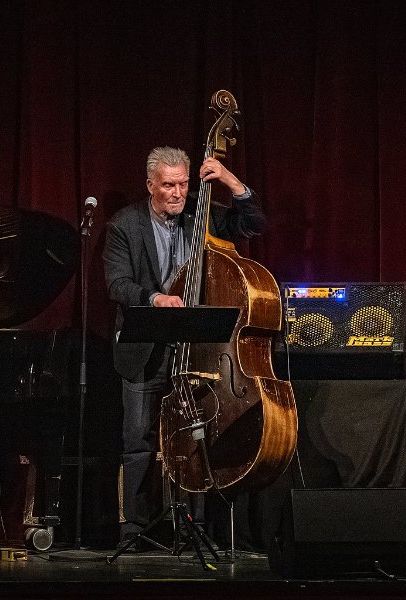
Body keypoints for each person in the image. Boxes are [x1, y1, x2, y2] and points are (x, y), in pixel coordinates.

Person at [103, 146, 265, 545]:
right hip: (146, 349)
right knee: (138, 440)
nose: (177, 193)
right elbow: (117, 284)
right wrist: (155, 298)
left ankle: (197, 527)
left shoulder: (203, 212)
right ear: (150, 185)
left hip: (199, 350)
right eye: (168, 185)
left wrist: (230, 181)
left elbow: (255, 224)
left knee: (200, 437)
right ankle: (134, 530)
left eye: (183, 184)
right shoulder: (124, 225)